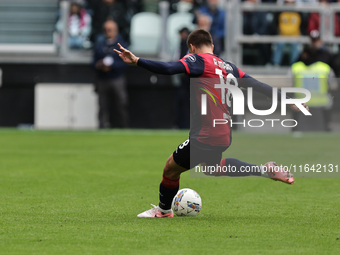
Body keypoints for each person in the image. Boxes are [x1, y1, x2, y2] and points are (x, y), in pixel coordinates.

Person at [114, 29, 309, 218]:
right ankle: (264, 170)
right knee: (212, 168)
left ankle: (163, 211)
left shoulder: (198, 60)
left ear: (192, 47)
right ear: (212, 46)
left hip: (206, 134)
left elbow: (169, 68)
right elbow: (258, 86)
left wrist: (137, 61)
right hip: (223, 132)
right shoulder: (229, 66)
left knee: (170, 169)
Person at [93, 20, 128, 128]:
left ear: (116, 30)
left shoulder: (122, 45)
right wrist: (99, 65)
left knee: (121, 103)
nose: (107, 32)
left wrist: (112, 66)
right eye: (105, 30)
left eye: (110, 29)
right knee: (102, 105)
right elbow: (93, 61)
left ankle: (123, 126)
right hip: (103, 78)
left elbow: (126, 63)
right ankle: (102, 127)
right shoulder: (100, 44)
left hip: (117, 77)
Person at [272, 0, 301, 66]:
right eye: (287, 3)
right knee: (279, 44)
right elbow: (275, 24)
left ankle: (294, 64)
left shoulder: (298, 13)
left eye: (291, 3)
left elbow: (303, 25)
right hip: (282, 35)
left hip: (295, 36)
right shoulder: (280, 12)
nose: (289, 5)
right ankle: (276, 64)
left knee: (295, 45)